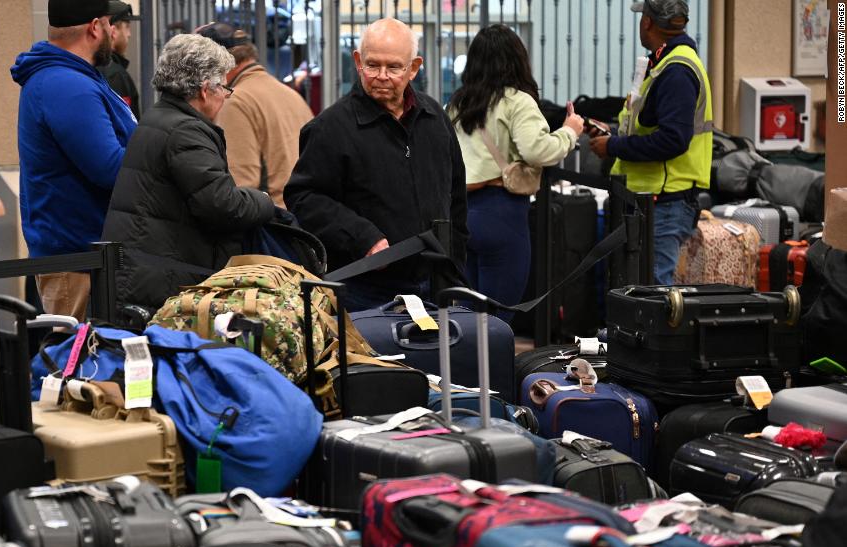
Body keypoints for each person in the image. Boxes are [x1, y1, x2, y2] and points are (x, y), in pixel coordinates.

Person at [284, 18, 466, 311]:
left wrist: (453, 268)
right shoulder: (330, 127)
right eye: (372, 65)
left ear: (414, 68)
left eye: (394, 67)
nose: (381, 76)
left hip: (433, 283)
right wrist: (362, 237)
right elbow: (304, 198)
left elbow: (456, 198)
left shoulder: (435, 118)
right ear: (358, 61)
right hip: (364, 289)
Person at [101, 34, 275, 313]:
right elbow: (222, 205)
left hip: (145, 270)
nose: (225, 97)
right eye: (224, 88)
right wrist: (264, 200)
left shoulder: (158, 118)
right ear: (206, 89)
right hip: (162, 278)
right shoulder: (186, 131)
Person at [12, 0, 137, 321]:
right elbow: (110, 168)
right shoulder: (67, 84)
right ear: (95, 28)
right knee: (80, 364)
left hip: (85, 254)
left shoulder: (73, 77)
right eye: (110, 23)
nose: (113, 31)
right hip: (78, 259)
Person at [448, 25, 583, 319]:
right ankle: (493, 367)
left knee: (467, 317)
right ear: (517, 59)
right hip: (502, 214)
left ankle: (466, 366)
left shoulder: (458, 103)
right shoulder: (517, 102)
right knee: (498, 318)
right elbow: (537, 151)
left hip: (460, 217)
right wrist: (570, 132)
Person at [589, 0, 712, 285]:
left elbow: (673, 140)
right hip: (650, 199)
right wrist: (612, 134)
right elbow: (648, 127)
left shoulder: (677, 70)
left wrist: (613, 147)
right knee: (637, 292)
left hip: (665, 200)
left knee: (653, 292)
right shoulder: (663, 63)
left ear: (647, 22)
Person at [195, 22, 313, 208]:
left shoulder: (235, 101)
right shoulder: (290, 94)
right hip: (302, 219)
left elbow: (240, 187)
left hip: (274, 225)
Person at [101, 1, 141, 119]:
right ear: (113, 32)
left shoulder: (91, 66)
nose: (129, 34)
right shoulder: (115, 75)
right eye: (127, 27)